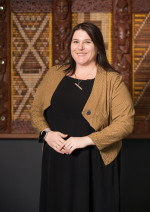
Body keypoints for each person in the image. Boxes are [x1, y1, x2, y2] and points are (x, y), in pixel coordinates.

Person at [30, 22, 135, 212]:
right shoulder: (54, 74)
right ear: (70, 45)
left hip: (93, 163)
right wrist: (46, 134)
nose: (80, 47)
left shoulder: (112, 80)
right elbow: (36, 109)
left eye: (87, 42)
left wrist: (86, 140)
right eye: (75, 41)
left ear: (97, 46)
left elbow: (126, 123)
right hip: (56, 159)